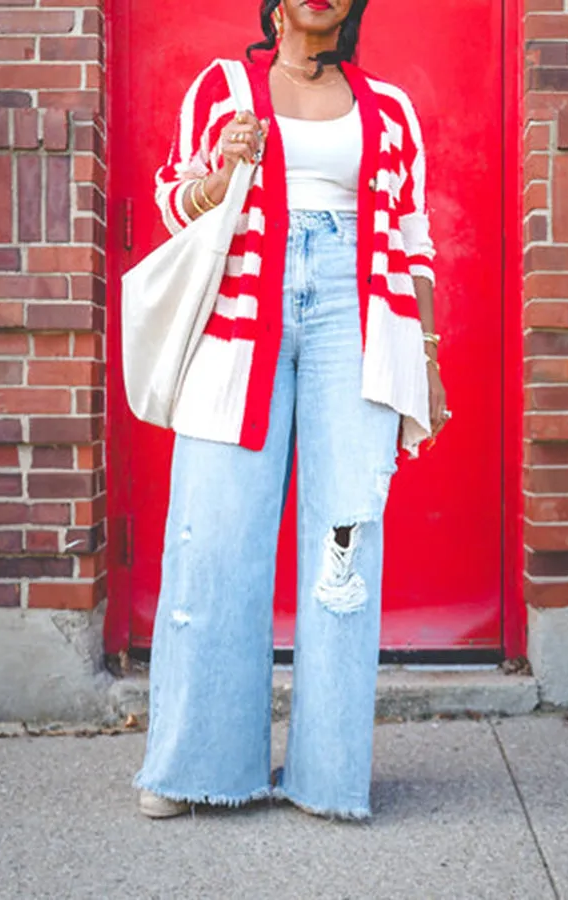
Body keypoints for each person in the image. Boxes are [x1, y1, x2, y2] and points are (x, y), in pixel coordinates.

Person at [134, 0, 450, 821]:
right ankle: (190, 769)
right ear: (274, 5)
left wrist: (427, 354)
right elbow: (173, 201)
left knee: (345, 540)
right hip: (243, 322)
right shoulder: (222, 88)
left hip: (360, 314)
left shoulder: (390, 107)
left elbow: (412, 235)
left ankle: (328, 778)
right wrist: (221, 169)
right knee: (216, 537)